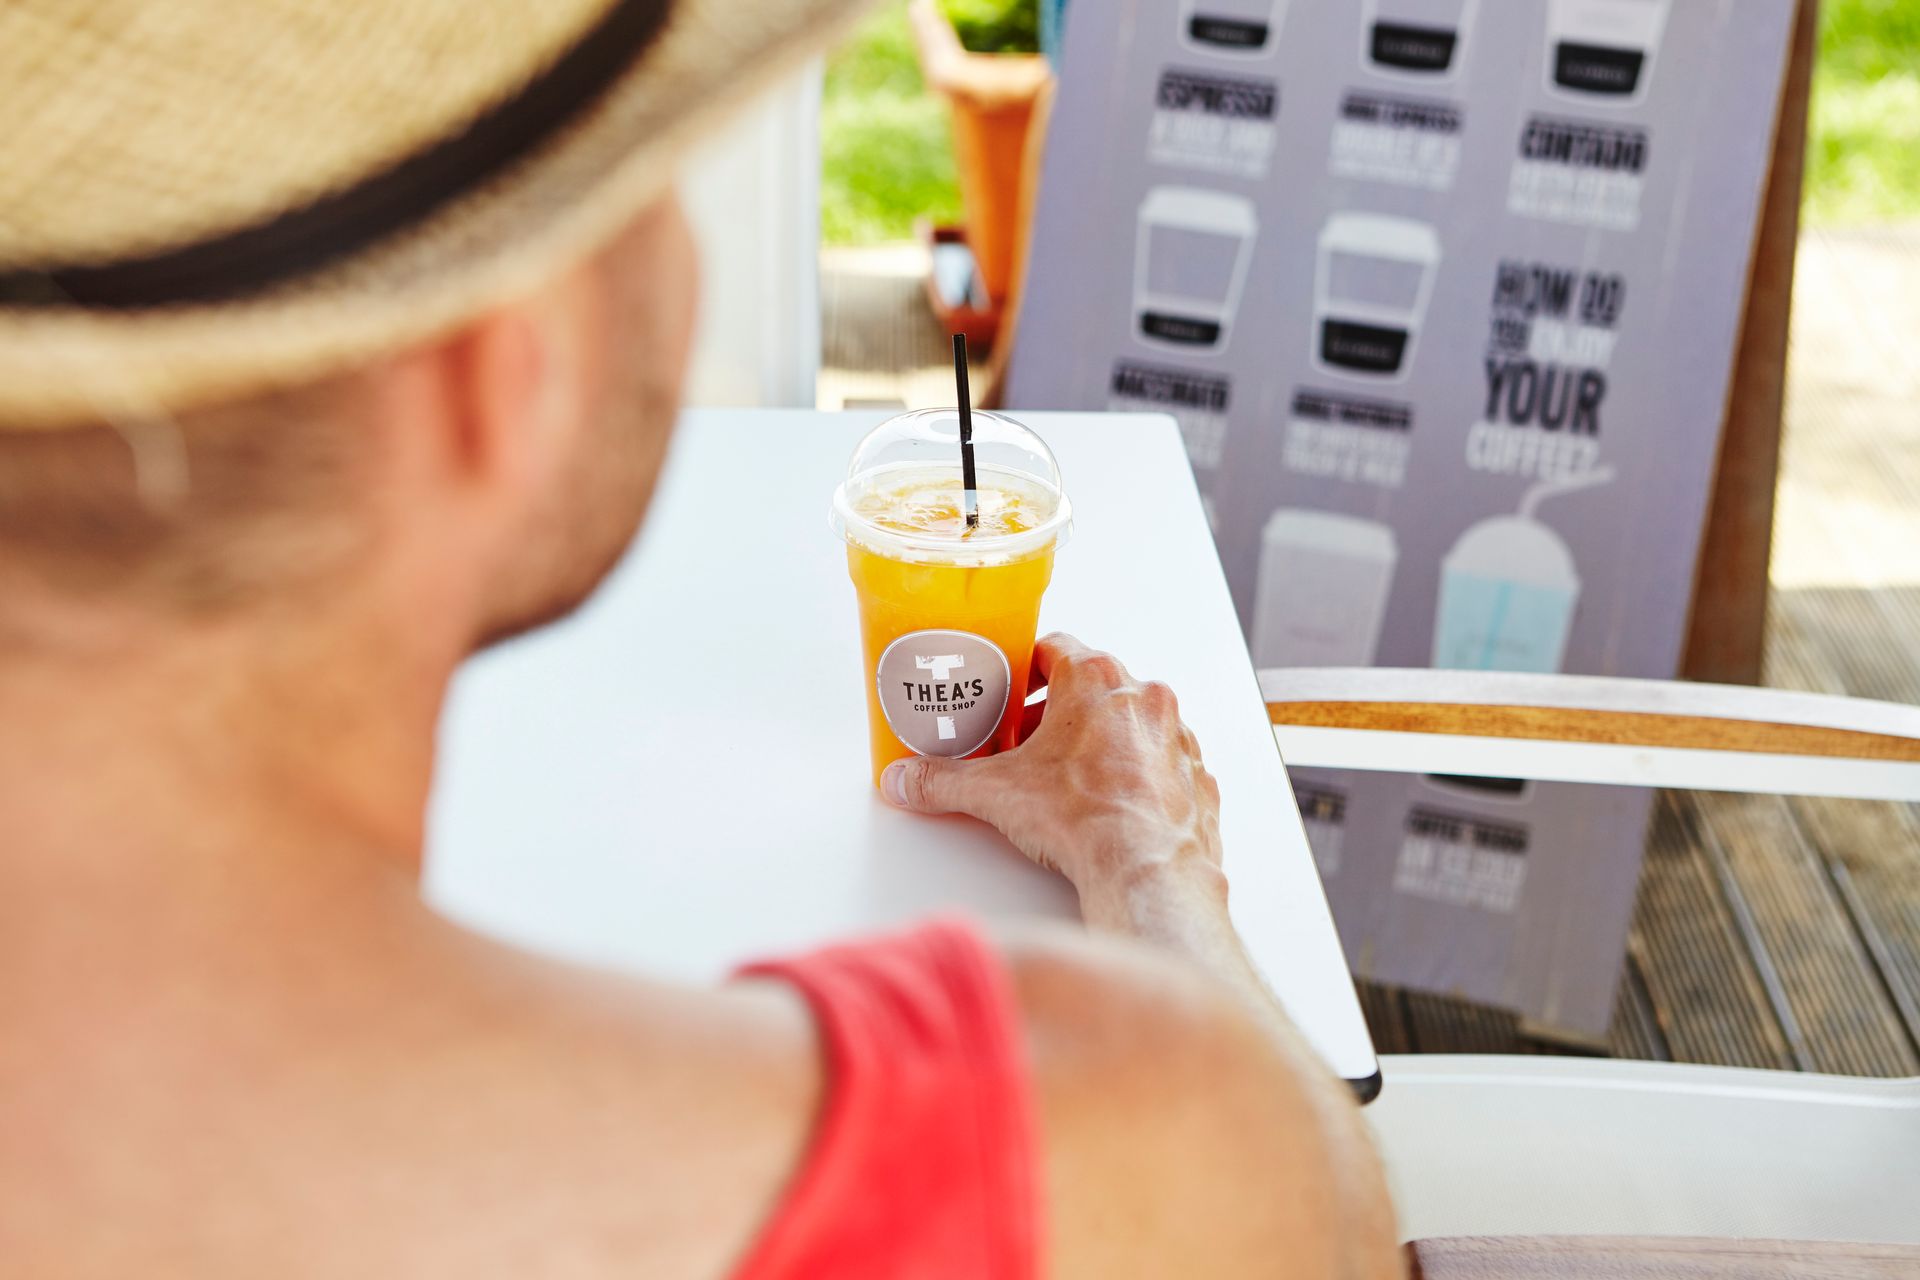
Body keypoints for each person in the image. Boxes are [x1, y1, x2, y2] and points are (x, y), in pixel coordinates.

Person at [0, 1, 1398, 1275]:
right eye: (641, 187)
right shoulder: (1091, 1128)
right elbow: (1334, 1228)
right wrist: (1152, 865)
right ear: (506, 369)